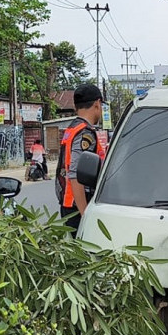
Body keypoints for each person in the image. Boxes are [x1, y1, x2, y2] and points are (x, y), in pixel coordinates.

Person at [55, 83, 107, 236]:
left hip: (68, 202)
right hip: (77, 205)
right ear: (97, 103)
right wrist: (85, 214)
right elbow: (75, 173)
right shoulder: (85, 133)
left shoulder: (72, 128)